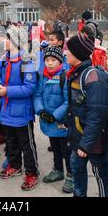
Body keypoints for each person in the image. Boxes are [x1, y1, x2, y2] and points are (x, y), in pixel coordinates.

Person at [65, 33, 108, 197]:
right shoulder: (76, 73)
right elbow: (74, 106)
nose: (65, 53)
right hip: (78, 136)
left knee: (100, 173)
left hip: (93, 139)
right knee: (77, 169)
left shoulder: (94, 78)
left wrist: (86, 144)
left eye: (68, 50)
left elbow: (97, 115)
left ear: (76, 54)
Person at [0, 26, 39, 191]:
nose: (1, 41)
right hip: (6, 110)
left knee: (27, 144)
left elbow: (29, 88)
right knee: (11, 142)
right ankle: (15, 165)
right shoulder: (4, 59)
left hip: (21, 112)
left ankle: (32, 173)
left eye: (5, 38)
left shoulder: (26, 61)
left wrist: (7, 91)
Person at [33, 46, 73, 193]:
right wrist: (41, 111)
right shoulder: (43, 76)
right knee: (55, 147)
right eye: (47, 60)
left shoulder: (65, 76)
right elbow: (37, 94)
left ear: (60, 61)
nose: (49, 63)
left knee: (66, 149)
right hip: (47, 120)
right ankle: (58, 170)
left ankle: (71, 174)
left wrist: (54, 116)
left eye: (53, 60)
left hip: (61, 122)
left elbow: (68, 101)